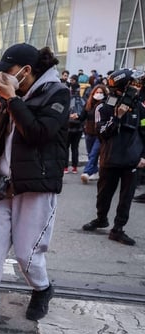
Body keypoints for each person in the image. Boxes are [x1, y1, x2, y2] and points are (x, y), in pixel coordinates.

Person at [0, 43, 69, 333]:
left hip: (36, 185)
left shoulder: (58, 93)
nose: (2, 78)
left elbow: (38, 134)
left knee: (27, 253)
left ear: (26, 71)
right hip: (5, 184)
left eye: (7, 72)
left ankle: (42, 288)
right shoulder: (13, 96)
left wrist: (12, 100)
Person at [82, 69, 145, 246]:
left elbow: (144, 130)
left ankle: (118, 229)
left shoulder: (138, 106)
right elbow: (101, 133)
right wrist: (117, 117)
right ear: (120, 87)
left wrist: (143, 156)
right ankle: (101, 219)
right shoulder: (104, 107)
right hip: (110, 159)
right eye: (131, 84)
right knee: (104, 195)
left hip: (132, 160)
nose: (136, 87)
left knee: (126, 197)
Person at [80, 84, 109, 183]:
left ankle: (86, 172)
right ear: (93, 93)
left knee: (94, 153)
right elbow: (82, 116)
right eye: (97, 92)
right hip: (89, 132)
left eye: (101, 92)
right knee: (90, 153)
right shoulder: (89, 104)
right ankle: (95, 171)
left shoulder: (106, 104)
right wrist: (76, 117)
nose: (99, 94)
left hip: (100, 134)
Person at [65, 80, 85, 174]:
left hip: (68, 127)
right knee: (75, 148)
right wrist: (78, 116)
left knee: (66, 147)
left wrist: (69, 116)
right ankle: (74, 167)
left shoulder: (67, 99)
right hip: (79, 127)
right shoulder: (82, 100)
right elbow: (85, 112)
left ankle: (65, 167)